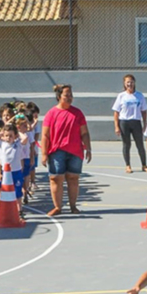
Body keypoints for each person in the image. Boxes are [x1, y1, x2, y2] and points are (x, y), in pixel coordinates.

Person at [41, 84, 91, 216]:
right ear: (59, 97)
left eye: (71, 95)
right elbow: (45, 135)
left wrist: (88, 148)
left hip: (75, 151)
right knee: (56, 178)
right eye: (66, 95)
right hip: (57, 151)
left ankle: (73, 206)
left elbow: (84, 133)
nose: (69, 98)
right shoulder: (51, 114)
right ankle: (58, 207)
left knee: (73, 178)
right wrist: (44, 154)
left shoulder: (78, 113)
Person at [112, 74, 147, 174]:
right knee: (126, 144)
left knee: (140, 144)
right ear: (124, 84)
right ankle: (128, 165)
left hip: (136, 122)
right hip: (124, 122)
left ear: (134, 83)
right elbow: (116, 112)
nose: (130, 84)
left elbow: (144, 111)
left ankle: (144, 165)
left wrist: (145, 124)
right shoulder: (121, 96)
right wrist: (116, 126)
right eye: (128, 82)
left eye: (131, 82)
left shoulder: (139, 96)